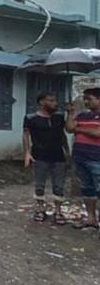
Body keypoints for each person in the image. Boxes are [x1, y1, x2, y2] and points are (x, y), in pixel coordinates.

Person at [22, 92, 69, 224]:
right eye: (51, 101)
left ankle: (58, 211)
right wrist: (27, 153)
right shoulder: (30, 118)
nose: (55, 103)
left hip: (58, 155)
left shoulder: (59, 117)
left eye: (55, 100)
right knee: (39, 185)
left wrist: (67, 150)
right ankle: (40, 209)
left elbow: (63, 134)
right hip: (39, 155)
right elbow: (26, 135)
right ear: (42, 102)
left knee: (59, 185)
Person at [66, 88, 100, 230]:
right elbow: (69, 128)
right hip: (80, 157)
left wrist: (79, 129)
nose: (86, 101)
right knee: (87, 189)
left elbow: (97, 133)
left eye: (89, 98)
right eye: (85, 98)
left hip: (97, 158)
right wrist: (70, 113)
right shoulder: (83, 116)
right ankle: (91, 218)